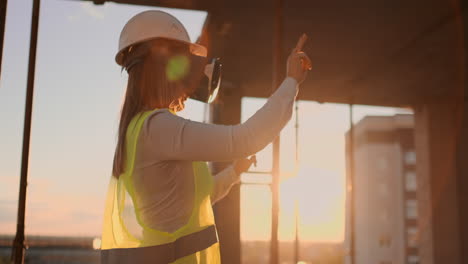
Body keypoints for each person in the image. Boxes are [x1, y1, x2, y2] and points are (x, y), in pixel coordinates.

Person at [100, 10, 311, 264]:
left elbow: (198, 199)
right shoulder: (158, 128)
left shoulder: (139, 129)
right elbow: (245, 138)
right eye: (184, 63)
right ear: (163, 65)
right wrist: (291, 81)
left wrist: (235, 171)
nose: (190, 76)